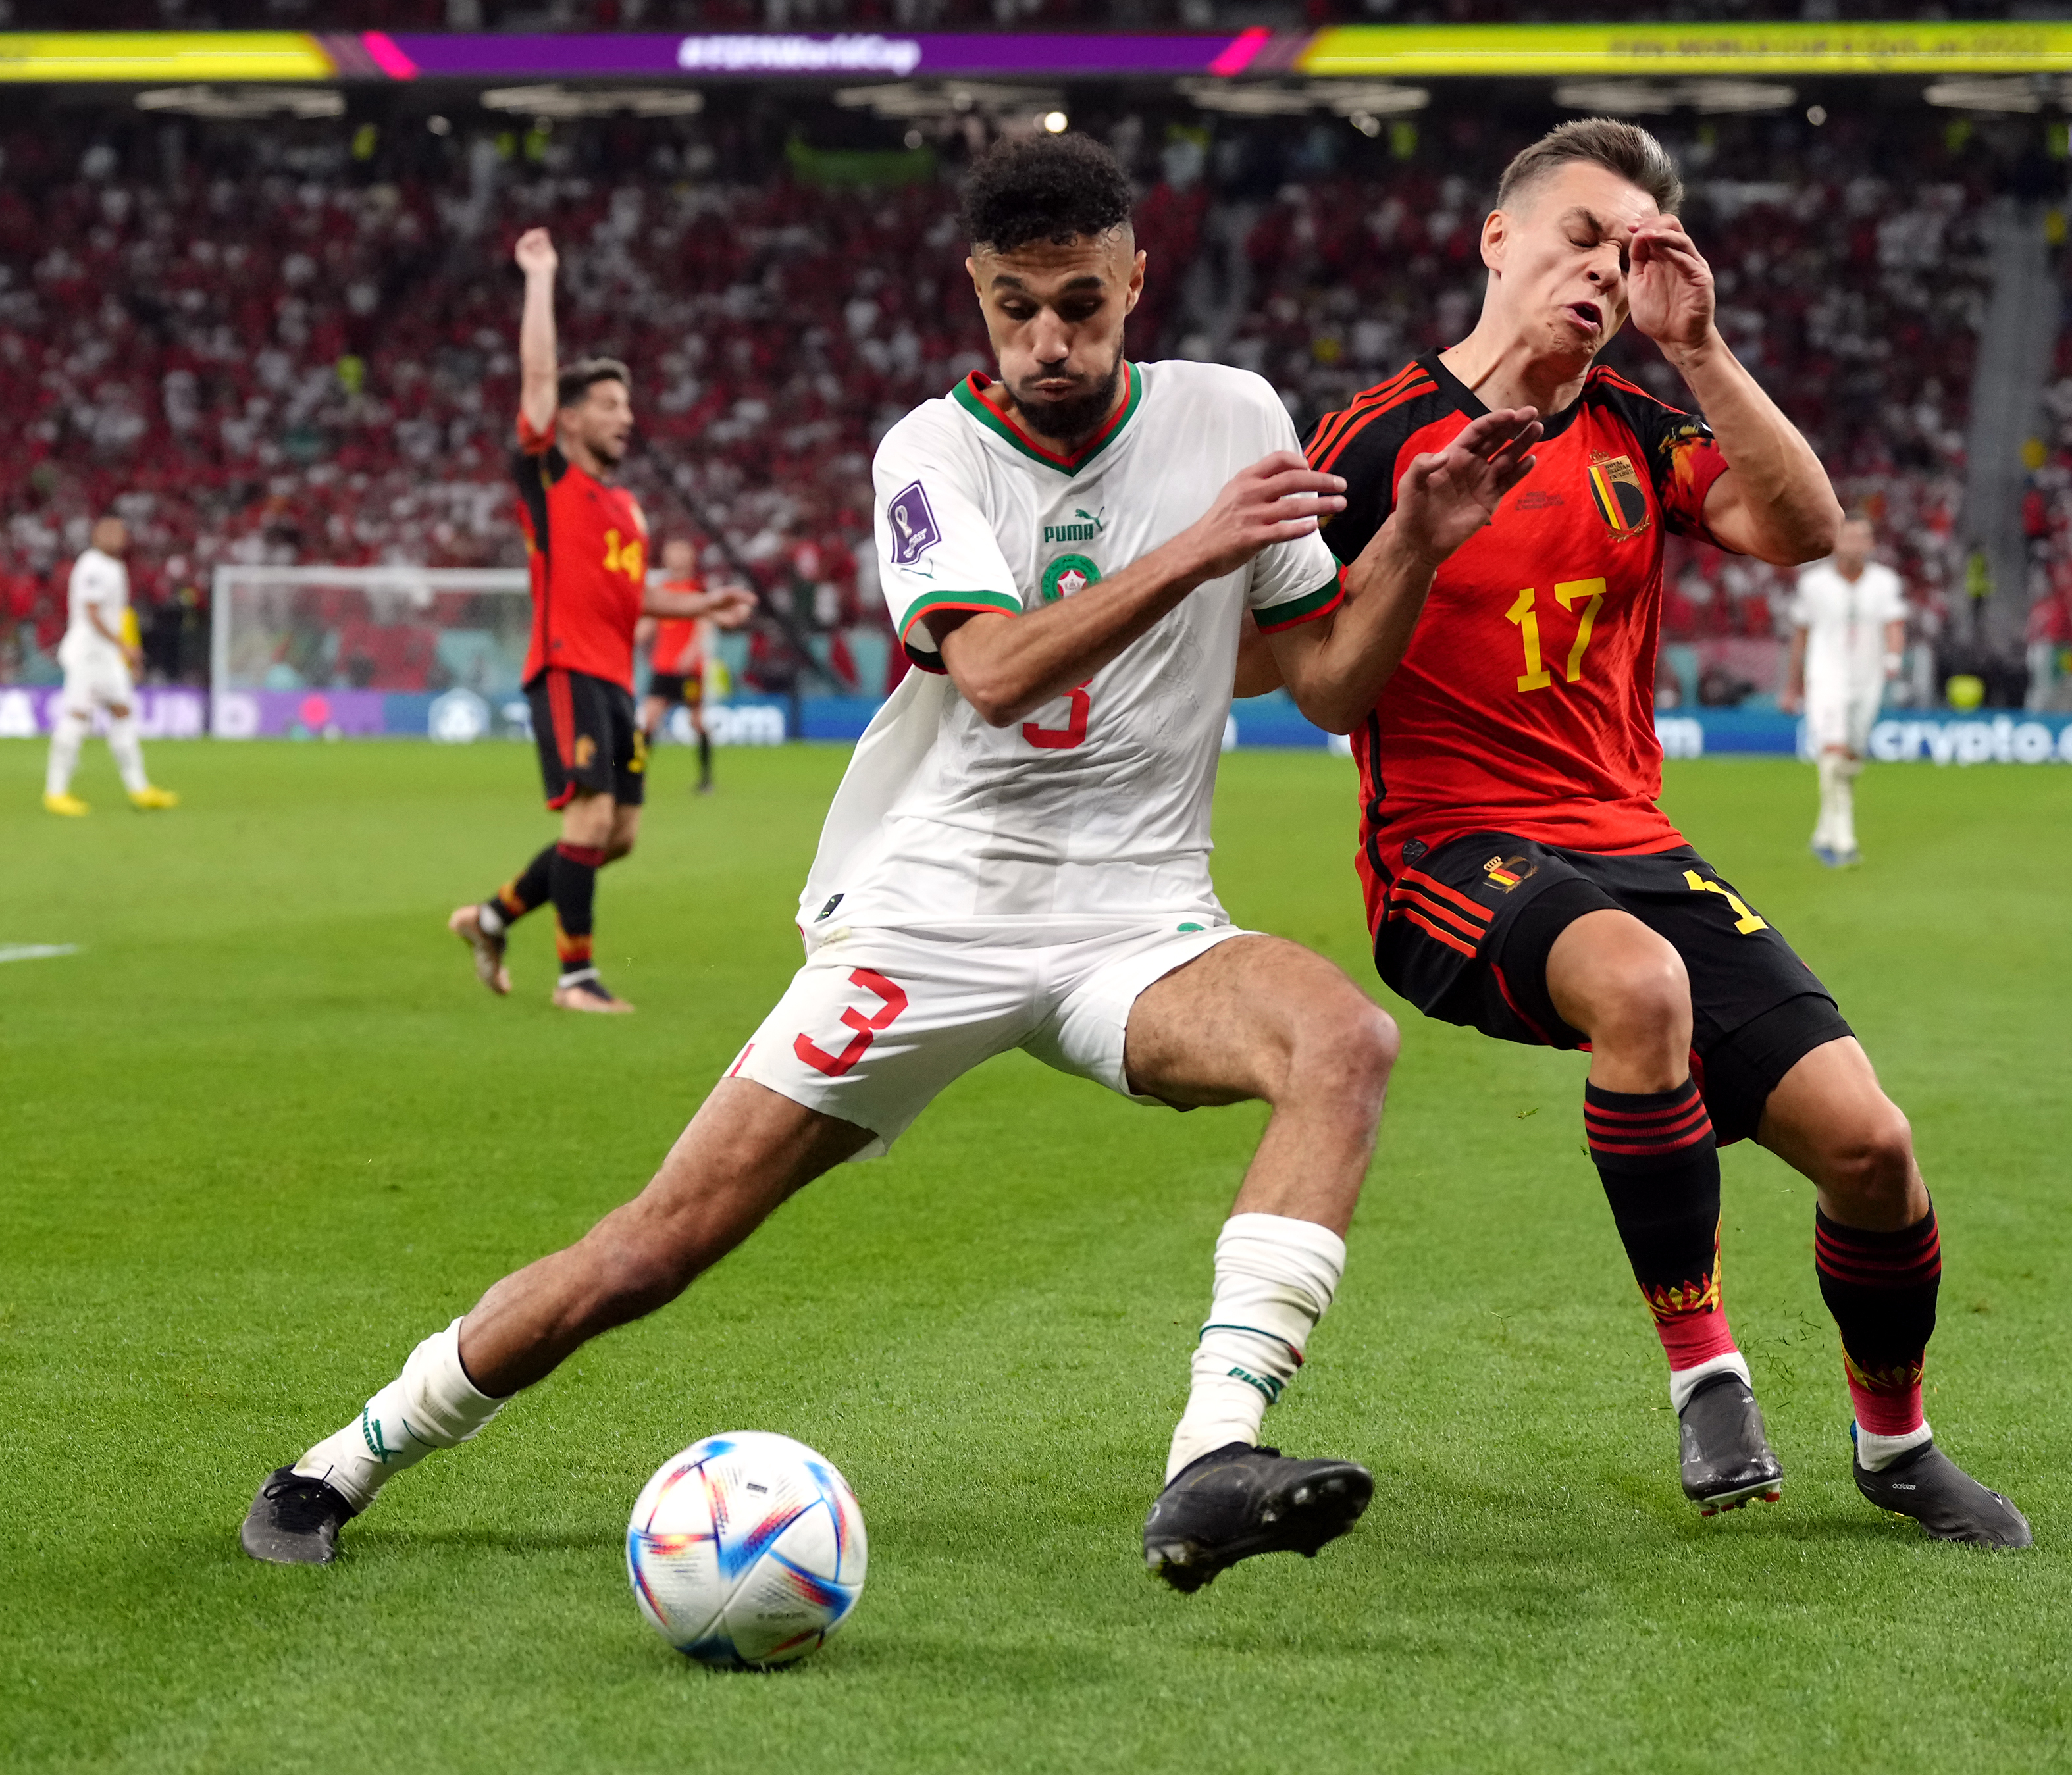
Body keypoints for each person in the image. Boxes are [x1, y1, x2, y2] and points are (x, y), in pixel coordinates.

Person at [242, 135, 1541, 1590]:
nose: (1047, 341)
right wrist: (1192, 550)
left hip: (1138, 920)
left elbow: (1322, 685)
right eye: (1012, 307)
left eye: (1079, 304)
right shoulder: (930, 453)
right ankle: (345, 1457)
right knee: (653, 1248)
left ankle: (1211, 1459)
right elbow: (987, 669)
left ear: (1135, 279)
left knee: (1341, 1040)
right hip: (928, 919)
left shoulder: (1233, 409)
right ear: (973, 295)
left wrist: (1413, 547)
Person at [1304, 118, 2029, 1546]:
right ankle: (1706, 1368)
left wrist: (1696, 347)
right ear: (1495, 239)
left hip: (1628, 846)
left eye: (1629, 253)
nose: (1601, 272)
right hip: (1446, 856)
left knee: (1873, 1149)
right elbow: (1322, 683)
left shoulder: (1637, 425)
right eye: (1581, 237)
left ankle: (1896, 1445)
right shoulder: (1372, 435)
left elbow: (1803, 527)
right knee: (1639, 985)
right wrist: (1417, 540)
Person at [446, 228, 756, 1013]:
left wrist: (703, 603)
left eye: (629, 405)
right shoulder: (549, 475)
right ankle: (576, 977)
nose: (627, 418)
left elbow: (634, 597)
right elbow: (539, 373)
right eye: (611, 405)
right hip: (566, 667)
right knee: (587, 816)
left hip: (617, 680)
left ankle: (488, 918)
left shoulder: (626, 507)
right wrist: (541, 277)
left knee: (616, 835)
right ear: (572, 418)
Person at [1783, 511, 1907, 867]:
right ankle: (1843, 837)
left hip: (1868, 679)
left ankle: (1824, 831)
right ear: (1835, 542)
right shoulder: (1814, 584)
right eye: (1847, 537)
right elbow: (1801, 636)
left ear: (1870, 544)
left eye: (1860, 538)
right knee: (1833, 751)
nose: (1853, 544)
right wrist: (1793, 687)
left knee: (1851, 760)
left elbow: (1894, 625)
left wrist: (1894, 659)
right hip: (1825, 675)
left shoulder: (1885, 582)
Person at [41, 515, 178, 816]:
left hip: (107, 655)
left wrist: (129, 649)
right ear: (96, 536)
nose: (114, 537)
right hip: (88, 653)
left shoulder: (114, 567)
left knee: (123, 711)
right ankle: (56, 792)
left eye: (119, 532)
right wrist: (123, 646)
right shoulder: (93, 565)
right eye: (107, 532)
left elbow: (118, 614)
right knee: (77, 716)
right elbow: (92, 613)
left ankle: (140, 788)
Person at [634, 538, 719, 796]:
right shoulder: (661, 589)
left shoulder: (698, 590)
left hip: (689, 671)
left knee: (697, 722)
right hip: (663, 667)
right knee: (649, 720)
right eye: (672, 552)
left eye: (680, 551)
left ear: (691, 557)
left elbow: (704, 626)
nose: (676, 557)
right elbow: (647, 627)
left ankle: (706, 780)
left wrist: (691, 652)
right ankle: (636, 776)